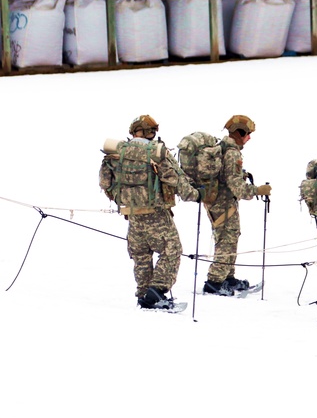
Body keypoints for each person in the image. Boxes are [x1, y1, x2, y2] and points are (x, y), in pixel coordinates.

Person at [99, 115, 200, 309]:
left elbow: (104, 182)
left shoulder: (118, 152)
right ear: (151, 132)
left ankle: (144, 294)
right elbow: (174, 179)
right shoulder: (155, 152)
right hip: (157, 215)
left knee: (141, 256)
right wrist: (195, 194)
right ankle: (156, 292)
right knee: (172, 250)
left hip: (132, 215)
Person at [202, 115, 272, 296]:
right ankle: (214, 282)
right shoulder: (232, 153)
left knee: (230, 236)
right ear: (239, 133)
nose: (249, 138)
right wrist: (258, 191)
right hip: (223, 204)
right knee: (227, 239)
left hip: (220, 202)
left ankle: (228, 277)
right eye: (247, 134)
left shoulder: (223, 149)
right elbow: (238, 188)